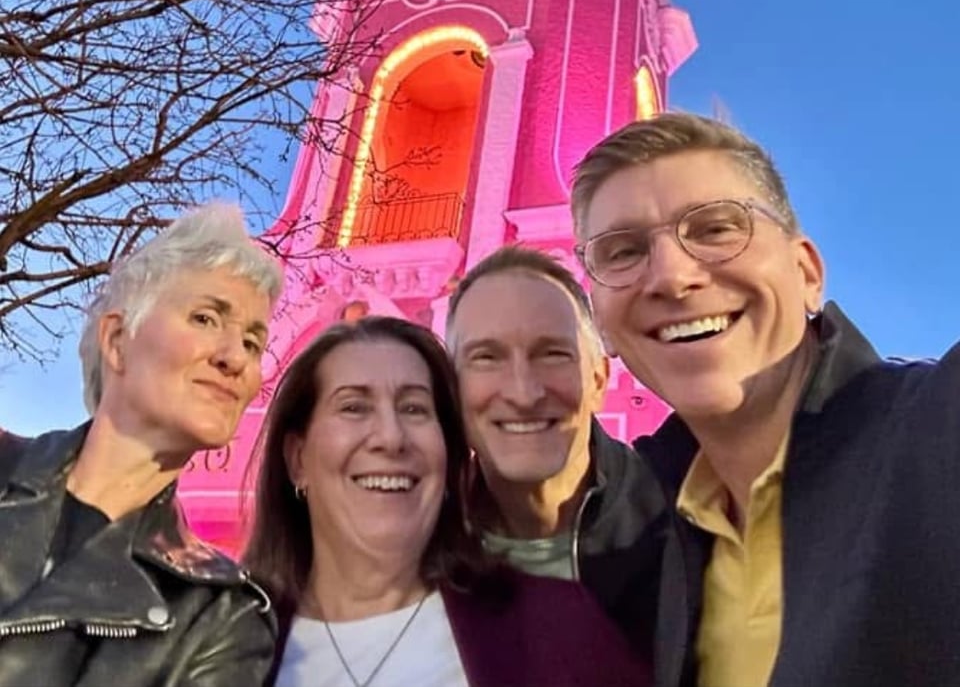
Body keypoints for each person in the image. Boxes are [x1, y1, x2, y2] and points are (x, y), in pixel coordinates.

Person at [571, 111, 960, 687]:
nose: (672, 277)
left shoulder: (936, 430)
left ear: (806, 271)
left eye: (715, 229)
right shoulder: (651, 540)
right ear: (600, 321)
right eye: (623, 252)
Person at [245, 315, 649, 687]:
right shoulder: (226, 637)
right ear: (298, 459)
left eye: (414, 408)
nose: (391, 437)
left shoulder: (557, 626)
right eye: (354, 407)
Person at [0, 202, 283, 687]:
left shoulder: (219, 616)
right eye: (205, 318)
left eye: (253, 343)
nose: (235, 357)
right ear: (117, 340)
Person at [445, 246, 666, 644]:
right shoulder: (414, 552)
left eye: (552, 354)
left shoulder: (686, 535)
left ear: (599, 380)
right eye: (485, 357)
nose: (523, 393)